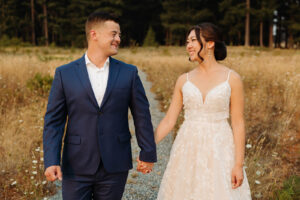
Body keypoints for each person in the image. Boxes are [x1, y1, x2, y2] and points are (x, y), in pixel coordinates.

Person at [43, 11, 156, 200]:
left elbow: (142, 115)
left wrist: (148, 152)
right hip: (76, 164)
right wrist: (51, 160)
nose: (118, 39)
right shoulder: (65, 73)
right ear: (94, 34)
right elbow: (53, 121)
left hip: (115, 163)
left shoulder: (129, 73)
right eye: (114, 34)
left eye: (119, 35)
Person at [155, 23, 252, 199]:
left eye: (193, 40)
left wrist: (238, 164)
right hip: (187, 148)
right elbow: (169, 120)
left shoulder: (232, 79)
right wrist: (148, 147)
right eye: (187, 42)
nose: (188, 46)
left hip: (220, 149)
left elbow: (238, 123)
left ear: (210, 43)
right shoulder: (183, 80)